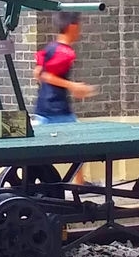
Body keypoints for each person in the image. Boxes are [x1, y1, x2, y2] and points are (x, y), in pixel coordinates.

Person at [34, 11, 96, 183]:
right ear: (72, 27)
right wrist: (73, 86)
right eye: (79, 27)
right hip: (57, 108)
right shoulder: (65, 52)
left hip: (44, 106)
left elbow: (38, 72)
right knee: (79, 144)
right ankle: (80, 182)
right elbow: (46, 75)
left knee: (39, 146)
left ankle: (78, 181)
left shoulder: (50, 48)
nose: (80, 31)